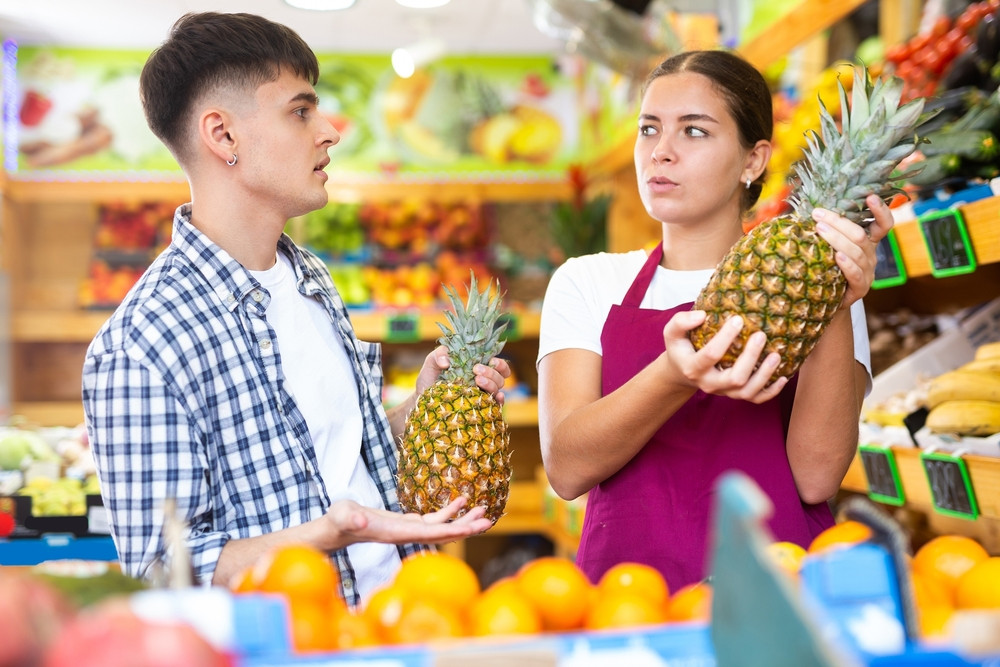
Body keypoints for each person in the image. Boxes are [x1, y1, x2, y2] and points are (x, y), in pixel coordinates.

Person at [81, 12, 509, 607]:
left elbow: (334, 459)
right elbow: (162, 569)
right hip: (300, 641)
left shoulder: (310, 279)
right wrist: (328, 535)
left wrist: (424, 405)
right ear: (223, 136)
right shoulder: (144, 342)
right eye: (301, 111)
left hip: (408, 618)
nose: (330, 131)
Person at [536, 49, 890, 591]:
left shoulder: (829, 289)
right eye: (649, 129)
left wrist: (836, 302)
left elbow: (816, 477)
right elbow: (566, 468)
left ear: (754, 160)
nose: (662, 152)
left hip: (780, 588)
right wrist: (674, 376)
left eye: (694, 132)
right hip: (629, 596)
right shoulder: (587, 282)